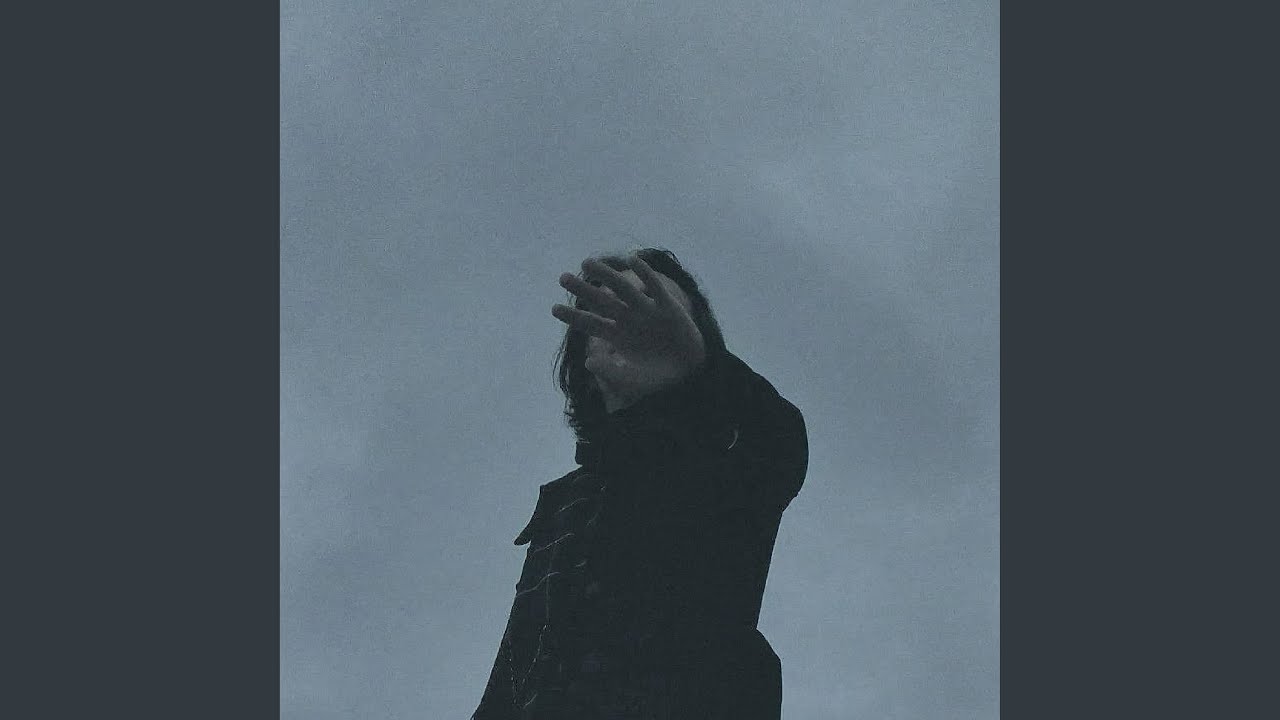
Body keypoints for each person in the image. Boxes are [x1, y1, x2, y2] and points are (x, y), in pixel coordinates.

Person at [469, 248, 809, 719]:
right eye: (608, 313)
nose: (631, 325)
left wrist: (704, 371)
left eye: (653, 309)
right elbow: (512, 677)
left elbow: (779, 443)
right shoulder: (563, 505)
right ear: (585, 359)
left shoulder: (727, 455)